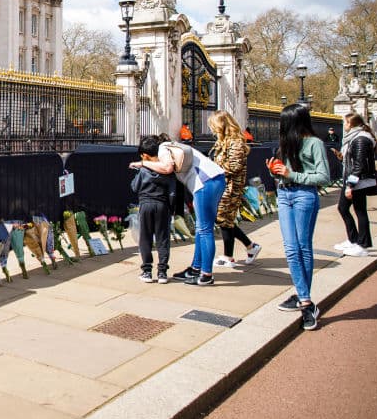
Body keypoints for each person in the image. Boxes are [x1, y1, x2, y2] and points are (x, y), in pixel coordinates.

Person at [132, 132, 226, 286]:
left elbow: (167, 168)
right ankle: (196, 268)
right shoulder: (171, 147)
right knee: (201, 228)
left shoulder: (163, 148)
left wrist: (142, 164)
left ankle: (206, 274)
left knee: (204, 229)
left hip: (204, 182)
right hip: (213, 180)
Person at [269, 103, 330, 331]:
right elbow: (285, 173)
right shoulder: (286, 143)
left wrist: (290, 173)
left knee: (302, 247)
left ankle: (304, 300)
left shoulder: (314, 143)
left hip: (304, 196)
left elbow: (324, 176)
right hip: (284, 194)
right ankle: (305, 299)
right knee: (291, 248)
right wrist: (275, 171)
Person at [209, 111, 262, 268]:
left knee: (223, 219)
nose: (212, 130)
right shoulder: (224, 141)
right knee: (226, 220)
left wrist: (213, 167)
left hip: (231, 187)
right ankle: (249, 247)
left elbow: (234, 166)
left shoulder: (236, 142)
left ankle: (230, 255)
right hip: (223, 186)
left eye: (213, 126)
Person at [130, 135, 175, 284]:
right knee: (163, 238)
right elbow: (172, 192)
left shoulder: (143, 169)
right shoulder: (167, 170)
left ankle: (147, 271)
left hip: (146, 204)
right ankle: (162, 272)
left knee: (145, 237)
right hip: (162, 205)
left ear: (146, 156)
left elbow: (134, 187)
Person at [335, 113, 377, 256]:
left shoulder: (360, 139)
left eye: (345, 123)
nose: (344, 125)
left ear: (352, 124)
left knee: (360, 211)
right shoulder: (355, 138)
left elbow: (359, 166)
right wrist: (341, 157)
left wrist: (350, 186)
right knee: (343, 208)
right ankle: (353, 240)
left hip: (357, 181)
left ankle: (363, 245)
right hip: (352, 179)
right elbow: (353, 161)